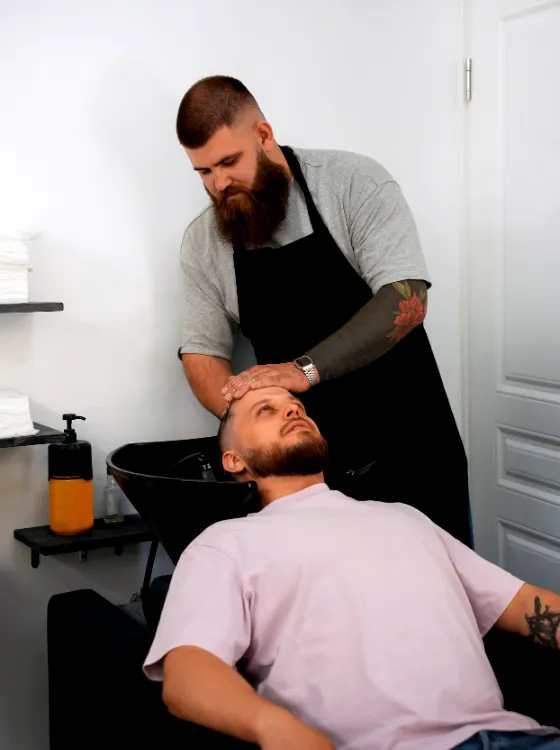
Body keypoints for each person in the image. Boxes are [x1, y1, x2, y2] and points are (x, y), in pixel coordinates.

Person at [144, 386, 560, 750]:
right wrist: (272, 726)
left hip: (521, 736)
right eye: (265, 410)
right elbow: (188, 673)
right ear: (234, 460)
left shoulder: (403, 517)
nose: (292, 410)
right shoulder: (225, 543)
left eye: (296, 406)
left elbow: (523, 604)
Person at [175, 75, 471, 545]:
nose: (220, 184)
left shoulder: (352, 183)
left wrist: (303, 371)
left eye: (229, 162)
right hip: (309, 481)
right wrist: (253, 421)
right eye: (204, 172)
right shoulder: (203, 242)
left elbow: (407, 298)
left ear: (264, 135)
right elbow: (201, 354)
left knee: (444, 587)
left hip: (413, 452)